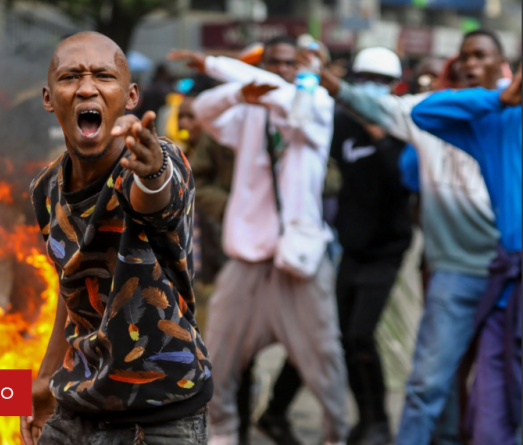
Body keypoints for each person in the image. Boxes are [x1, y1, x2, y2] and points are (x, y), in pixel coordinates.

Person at [21, 31, 213, 445]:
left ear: (130, 97)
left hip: (160, 417)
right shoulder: (45, 188)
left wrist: (151, 169)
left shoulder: (161, 160)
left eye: (103, 76)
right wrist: (46, 377)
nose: (87, 87)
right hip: (78, 405)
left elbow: (154, 197)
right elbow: (70, 284)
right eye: (71, 76)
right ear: (48, 98)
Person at [317, 37, 502, 445]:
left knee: (500, 388)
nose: (468, 69)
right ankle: (407, 430)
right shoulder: (423, 121)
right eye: (460, 64)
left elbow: (401, 180)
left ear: (500, 68)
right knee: (427, 381)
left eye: (480, 58)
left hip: (504, 272)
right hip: (443, 269)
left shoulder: (505, 121)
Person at [170, 37, 347, 445]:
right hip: (246, 262)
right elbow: (205, 110)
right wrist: (240, 90)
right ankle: (225, 434)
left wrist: (216, 62)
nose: (283, 70)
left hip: (299, 265)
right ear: (264, 69)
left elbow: (295, 104)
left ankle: (335, 436)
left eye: (291, 64)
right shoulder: (250, 112)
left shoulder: (317, 103)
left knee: (325, 361)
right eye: (275, 64)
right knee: (216, 358)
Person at [265, 47, 413, 445]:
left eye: (382, 82)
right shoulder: (341, 123)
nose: (372, 88)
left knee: (360, 336)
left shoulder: (402, 126)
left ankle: (376, 421)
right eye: (364, 78)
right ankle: (280, 413)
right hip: (348, 246)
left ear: (395, 86)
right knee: (333, 335)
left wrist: (380, 133)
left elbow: (403, 183)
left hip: (387, 250)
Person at [411, 59, 521, 445]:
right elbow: (424, 113)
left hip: (497, 279)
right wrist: (498, 98)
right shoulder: (499, 122)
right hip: (505, 288)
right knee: (490, 422)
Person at [178, 94, 234, 285]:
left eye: (191, 117)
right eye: (180, 117)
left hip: (218, 254)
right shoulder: (176, 156)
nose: (183, 123)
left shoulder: (225, 152)